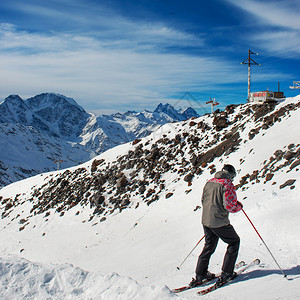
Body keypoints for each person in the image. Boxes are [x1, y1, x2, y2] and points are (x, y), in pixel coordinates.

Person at [189, 164, 243, 288]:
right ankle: (227, 273)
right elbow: (230, 206)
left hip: (206, 220)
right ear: (230, 174)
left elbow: (203, 200)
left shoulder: (209, 182)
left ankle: (201, 274)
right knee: (234, 242)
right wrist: (239, 207)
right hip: (218, 222)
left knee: (209, 246)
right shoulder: (227, 184)